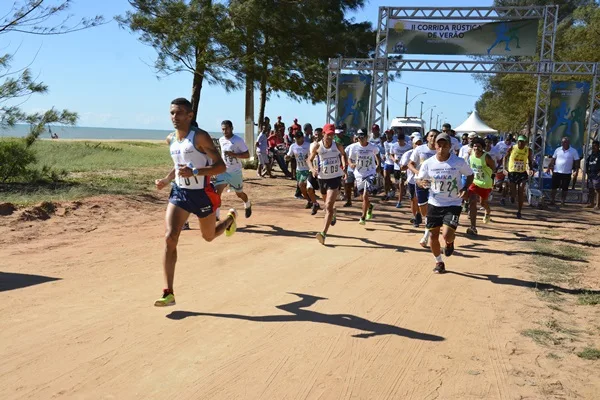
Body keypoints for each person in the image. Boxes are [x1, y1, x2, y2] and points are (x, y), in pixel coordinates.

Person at [154, 98, 236, 307]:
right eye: (172, 113)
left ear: (189, 115)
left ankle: (228, 220)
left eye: (179, 113)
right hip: (180, 193)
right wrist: (166, 180)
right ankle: (168, 292)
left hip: (201, 194)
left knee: (208, 237)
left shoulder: (200, 137)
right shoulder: (171, 138)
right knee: (170, 237)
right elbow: (179, 165)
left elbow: (220, 167)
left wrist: (197, 172)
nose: (175, 117)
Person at [416, 132, 474, 274]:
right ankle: (439, 262)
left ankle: (449, 242)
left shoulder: (458, 162)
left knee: (446, 234)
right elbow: (419, 179)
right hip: (434, 203)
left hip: (453, 203)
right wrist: (421, 183)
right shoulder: (428, 163)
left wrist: (466, 188)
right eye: (439, 145)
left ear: (450, 146)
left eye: (445, 145)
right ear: (435, 146)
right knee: (433, 235)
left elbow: (470, 174)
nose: (441, 148)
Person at [308, 123, 348, 245]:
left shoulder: (338, 146)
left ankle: (323, 234)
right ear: (323, 134)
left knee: (329, 205)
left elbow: (343, 154)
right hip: (322, 179)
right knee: (327, 206)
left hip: (335, 178)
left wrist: (344, 166)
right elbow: (309, 160)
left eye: (332, 134)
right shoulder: (318, 147)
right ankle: (333, 213)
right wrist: (312, 169)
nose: (330, 137)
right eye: (328, 134)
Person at [215, 120, 252, 219]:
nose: (225, 131)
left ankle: (247, 203)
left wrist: (234, 154)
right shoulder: (221, 140)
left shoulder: (238, 140)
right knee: (216, 193)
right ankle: (217, 216)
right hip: (223, 171)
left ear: (231, 128)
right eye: (223, 129)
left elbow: (247, 155)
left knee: (239, 194)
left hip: (235, 172)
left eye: (226, 128)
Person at [408, 129, 439, 247]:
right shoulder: (420, 149)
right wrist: (418, 174)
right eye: (431, 136)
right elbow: (410, 164)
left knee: (432, 208)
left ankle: (426, 236)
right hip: (421, 182)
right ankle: (429, 227)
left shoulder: (440, 150)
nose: (433, 138)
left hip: (435, 183)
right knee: (423, 210)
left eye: (435, 136)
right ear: (427, 138)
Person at [348, 129, 382, 225]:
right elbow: (350, 158)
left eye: (362, 137)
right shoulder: (354, 147)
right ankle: (370, 206)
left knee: (365, 195)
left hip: (370, 172)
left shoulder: (372, 146)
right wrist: (351, 164)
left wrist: (378, 164)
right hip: (359, 174)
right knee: (362, 197)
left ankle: (362, 217)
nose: (360, 139)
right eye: (358, 137)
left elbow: (377, 154)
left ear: (366, 137)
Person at [466, 137, 496, 236]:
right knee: (473, 201)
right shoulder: (471, 154)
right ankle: (473, 227)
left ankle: (487, 211)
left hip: (485, 183)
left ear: (482, 148)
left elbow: (493, 167)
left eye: (479, 146)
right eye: (475, 146)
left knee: (483, 203)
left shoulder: (486, 157)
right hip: (474, 182)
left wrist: (492, 179)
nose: (476, 148)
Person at [504, 135, 534, 219]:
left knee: (521, 191)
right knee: (513, 192)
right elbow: (505, 157)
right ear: (518, 142)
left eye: (523, 142)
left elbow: (530, 161)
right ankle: (512, 196)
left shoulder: (528, 150)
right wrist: (504, 168)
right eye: (520, 141)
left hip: (522, 172)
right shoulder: (512, 148)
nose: (521, 143)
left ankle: (519, 211)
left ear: (525, 142)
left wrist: (531, 169)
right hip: (512, 172)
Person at [547, 137, 580, 207]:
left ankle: (562, 201)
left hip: (567, 172)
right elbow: (553, 159)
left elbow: (577, 161)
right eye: (562, 142)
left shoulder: (573, 151)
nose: (563, 143)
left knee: (565, 188)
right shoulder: (557, 150)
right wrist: (549, 167)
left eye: (565, 142)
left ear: (568, 143)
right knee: (554, 187)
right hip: (557, 172)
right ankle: (552, 200)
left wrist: (576, 171)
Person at [401, 133, 424, 227]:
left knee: (420, 199)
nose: (418, 145)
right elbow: (402, 167)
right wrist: (411, 167)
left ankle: (421, 215)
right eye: (416, 143)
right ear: (413, 144)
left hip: (423, 180)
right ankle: (416, 216)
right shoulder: (408, 154)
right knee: (413, 199)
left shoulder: (425, 153)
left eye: (420, 143)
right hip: (411, 180)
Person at [286, 130, 313, 209]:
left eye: (299, 138)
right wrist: (287, 157)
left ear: (302, 138)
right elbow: (289, 155)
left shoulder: (308, 145)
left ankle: (312, 200)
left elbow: (313, 154)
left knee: (302, 184)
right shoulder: (293, 146)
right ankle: (309, 200)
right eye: (296, 138)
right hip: (299, 169)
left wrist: (309, 158)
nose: (297, 139)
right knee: (301, 187)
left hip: (307, 169)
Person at [391, 132, 412, 208]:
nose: (400, 142)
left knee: (401, 183)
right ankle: (403, 190)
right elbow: (391, 154)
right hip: (396, 167)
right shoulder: (394, 146)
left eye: (401, 140)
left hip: (404, 168)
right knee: (397, 184)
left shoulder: (408, 147)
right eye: (399, 140)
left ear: (404, 140)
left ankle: (399, 201)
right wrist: (394, 159)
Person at [307, 127, 323, 215]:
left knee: (323, 192)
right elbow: (309, 158)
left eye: (319, 134)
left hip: (323, 172)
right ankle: (315, 203)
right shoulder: (311, 145)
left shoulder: (325, 145)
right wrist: (312, 169)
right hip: (313, 170)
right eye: (316, 134)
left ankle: (329, 207)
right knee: (309, 188)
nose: (317, 136)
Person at [382, 129, 396, 200]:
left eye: (389, 134)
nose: (387, 135)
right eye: (386, 134)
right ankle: (386, 193)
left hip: (394, 163)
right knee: (385, 177)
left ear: (392, 134)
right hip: (387, 162)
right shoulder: (385, 143)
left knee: (397, 180)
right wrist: (384, 155)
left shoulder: (395, 142)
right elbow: (386, 152)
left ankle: (394, 189)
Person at [586, 140, 600, 209]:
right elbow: (587, 163)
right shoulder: (591, 155)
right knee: (590, 189)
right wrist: (587, 172)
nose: (594, 147)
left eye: (595, 146)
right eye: (593, 146)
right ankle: (591, 203)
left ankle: (597, 204)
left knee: (597, 190)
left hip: (597, 175)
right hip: (590, 174)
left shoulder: (599, 155)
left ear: (598, 146)